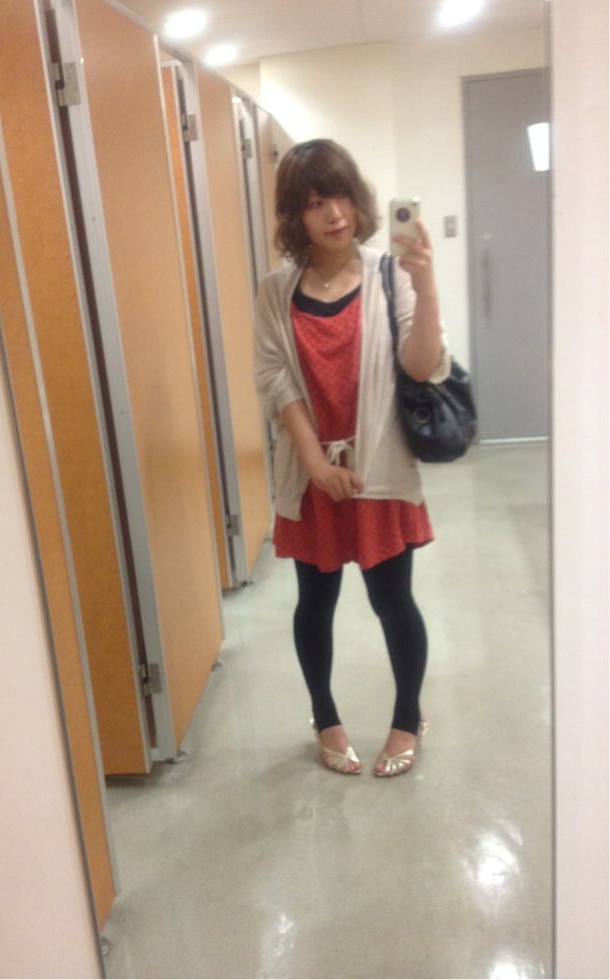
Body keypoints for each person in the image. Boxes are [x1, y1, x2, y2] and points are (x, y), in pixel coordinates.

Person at [253, 139, 450, 776]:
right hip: (311, 477)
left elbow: (422, 366)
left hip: (380, 474)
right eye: (314, 203)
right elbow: (275, 380)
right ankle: (325, 717)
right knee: (315, 602)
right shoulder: (275, 292)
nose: (333, 213)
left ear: (358, 199)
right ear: (296, 215)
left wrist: (426, 283)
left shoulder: (389, 275)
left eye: (339, 196)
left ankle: (407, 715)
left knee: (394, 602)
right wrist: (315, 465)